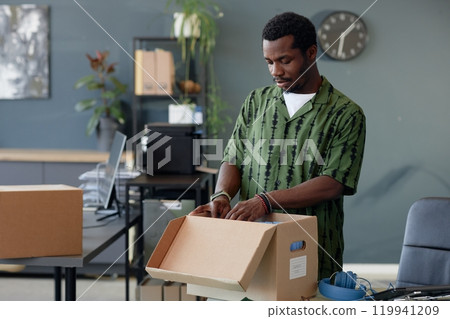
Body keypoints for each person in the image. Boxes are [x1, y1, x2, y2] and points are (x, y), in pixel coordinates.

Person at [190, 12, 366, 280]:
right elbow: (232, 158)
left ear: (311, 52)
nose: (276, 71)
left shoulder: (346, 113)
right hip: (251, 243)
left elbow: (334, 182)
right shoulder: (256, 101)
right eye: (269, 62)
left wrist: (265, 200)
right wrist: (222, 195)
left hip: (311, 249)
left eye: (285, 60)